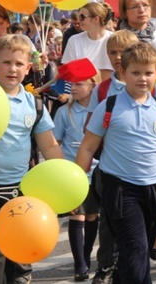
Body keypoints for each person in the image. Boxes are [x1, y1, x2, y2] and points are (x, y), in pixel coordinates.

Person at [75, 42, 156, 284]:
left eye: (148, 73)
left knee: (138, 251)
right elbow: (88, 146)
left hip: (155, 188)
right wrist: (75, 190)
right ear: (123, 73)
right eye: (136, 72)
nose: (143, 79)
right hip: (121, 189)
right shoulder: (110, 106)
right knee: (135, 247)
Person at [0, 34, 64, 283]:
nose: (12, 69)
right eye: (6, 62)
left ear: (28, 68)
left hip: (21, 191)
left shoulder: (34, 104)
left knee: (21, 261)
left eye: (19, 64)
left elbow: (50, 146)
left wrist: (63, 185)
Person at [85, 30, 140, 284]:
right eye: (113, 53)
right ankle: (105, 266)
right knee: (108, 219)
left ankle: (149, 241)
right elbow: (90, 129)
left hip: (142, 168)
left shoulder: (148, 83)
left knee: (145, 219)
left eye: (124, 52)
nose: (118, 57)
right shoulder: (103, 89)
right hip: (110, 167)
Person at [53, 77, 100, 281]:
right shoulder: (65, 112)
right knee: (76, 216)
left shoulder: (100, 111)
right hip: (73, 173)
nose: (74, 88)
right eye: (72, 84)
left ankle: (86, 254)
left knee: (91, 216)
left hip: (97, 173)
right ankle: (80, 264)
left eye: (80, 84)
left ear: (93, 86)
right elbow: (55, 142)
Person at [61, 3, 115, 84]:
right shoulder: (74, 40)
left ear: (96, 19)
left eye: (82, 17)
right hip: (83, 93)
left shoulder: (114, 39)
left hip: (111, 92)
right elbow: (68, 72)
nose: (79, 21)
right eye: (79, 17)